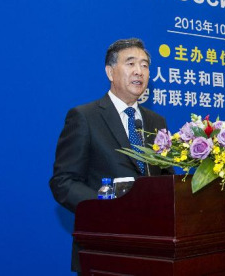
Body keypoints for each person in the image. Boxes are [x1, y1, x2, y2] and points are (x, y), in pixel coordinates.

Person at [49, 38, 171, 273]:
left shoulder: (157, 122)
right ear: (110, 72)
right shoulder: (84, 117)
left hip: (155, 248)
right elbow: (63, 182)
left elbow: (165, 178)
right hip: (105, 246)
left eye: (145, 65)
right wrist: (108, 206)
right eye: (131, 63)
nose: (139, 71)